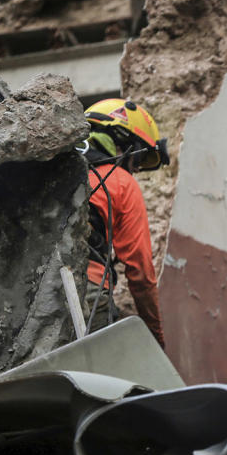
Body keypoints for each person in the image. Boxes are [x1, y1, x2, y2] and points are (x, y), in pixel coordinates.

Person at [79, 98, 169, 347]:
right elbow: (139, 271)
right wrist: (156, 337)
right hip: (88, 294)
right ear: (124, 144)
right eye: (138, 160)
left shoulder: (53, 168)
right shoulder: (120, 182)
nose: (137, 169)